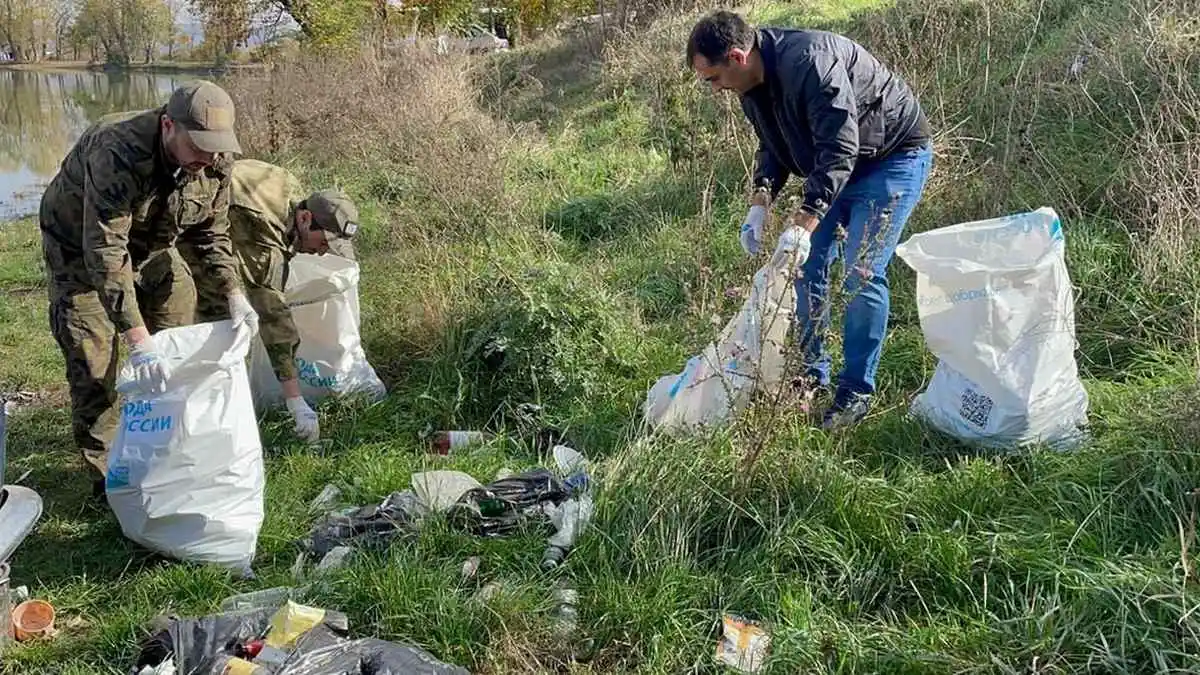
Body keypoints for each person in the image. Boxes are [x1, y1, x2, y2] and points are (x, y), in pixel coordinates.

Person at [687, 11, 934, 429]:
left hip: (890, 158)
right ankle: (812, 374)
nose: (714, 89)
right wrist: (760, 202)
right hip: (836, 168)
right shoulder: (749, 83)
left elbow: (840, 147)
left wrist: (804, 221)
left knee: (861, 273)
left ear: (736, 56)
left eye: (712, 78)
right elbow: (772, 144)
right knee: (805, 269)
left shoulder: (811, 64)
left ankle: (854, 392)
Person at [38, 80, 258, 489]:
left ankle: (166, 443)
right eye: (198, 145)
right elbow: (104, 251)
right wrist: (137, 339)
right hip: (78, 250)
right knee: (93, 358)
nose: (207, 158)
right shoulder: (116, 149)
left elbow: (211, 234)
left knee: (178, 337)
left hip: (153, 249)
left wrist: (234, 293)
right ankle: (111, 480)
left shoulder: (215, 159)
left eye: (215, 147)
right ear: (167, 126)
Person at [182, 158, 360, 444]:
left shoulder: (289, 191)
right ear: (305, 219)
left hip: (206, 208)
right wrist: (295, 401)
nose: (321, 253)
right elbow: (271, 308)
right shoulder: (261, 223)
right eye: (323, 242)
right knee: (213, 321)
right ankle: (198, 420)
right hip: (177, 219)